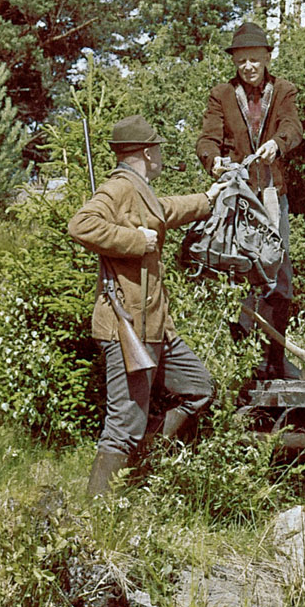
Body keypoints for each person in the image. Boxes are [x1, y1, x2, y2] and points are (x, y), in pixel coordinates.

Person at [66, 115, 216, 496]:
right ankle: (95, 515)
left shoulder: (139, 189)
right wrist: (135, 240)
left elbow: (163, 212)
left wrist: (207, 200)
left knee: (198, 387)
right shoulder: (119, 188)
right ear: (148, 152)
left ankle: (141, 465)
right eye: (159, 149)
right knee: (122, 427)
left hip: (155, 327)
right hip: (127, 326)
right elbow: (81, 224)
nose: (161, 155)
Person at [196, 22, 304, 378]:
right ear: (235, 62)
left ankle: (275, 359)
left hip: (272, 197)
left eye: (255, 60)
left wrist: (278, 143)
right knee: (238, 273)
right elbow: (208, 138)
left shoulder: (284, 91)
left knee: (279, 272)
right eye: (242, 61)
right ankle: (242, 360)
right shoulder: (220, 95)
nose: (249, 67)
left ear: (267, 58)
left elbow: (293, 127)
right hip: (238, 200)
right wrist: (212, 162)